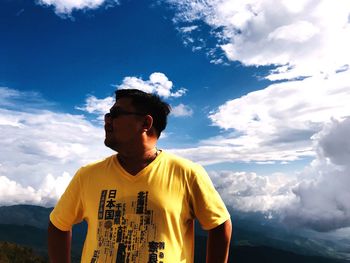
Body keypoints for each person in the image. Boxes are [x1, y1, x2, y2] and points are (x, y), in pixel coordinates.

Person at [48, 89, 232, 263]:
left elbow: (219, 224)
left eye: (116, 114)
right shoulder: (87, 175)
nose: (107, 120)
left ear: (145, 123)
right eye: (107, 115)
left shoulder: (187, 173)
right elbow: (58, 225)